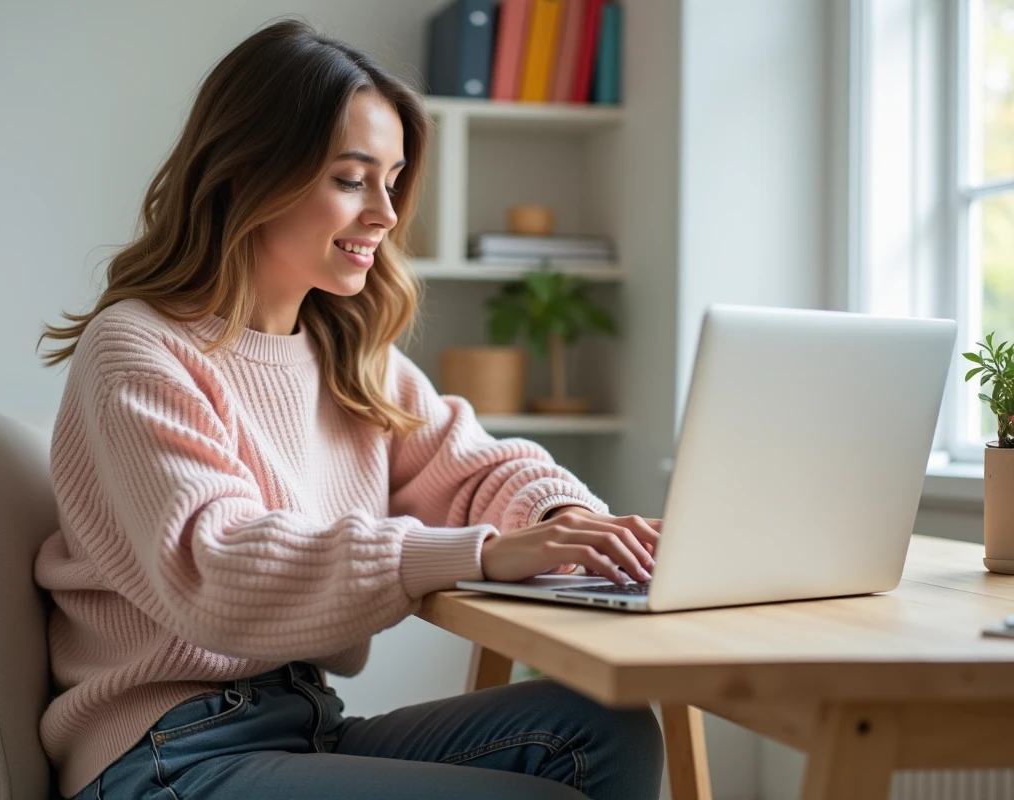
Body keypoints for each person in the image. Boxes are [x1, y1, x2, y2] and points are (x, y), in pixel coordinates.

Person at [34, 18, 663, 800]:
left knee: (605, 726)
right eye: (351, 178)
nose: (387, 215)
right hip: (164, 753)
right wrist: (473, 552)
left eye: (393, 180)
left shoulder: (345, 356)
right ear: (244, 173)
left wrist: (573, 524)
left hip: (299, 724)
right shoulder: (137, 348)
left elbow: (472, 468)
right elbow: (215, 566)